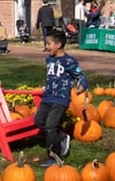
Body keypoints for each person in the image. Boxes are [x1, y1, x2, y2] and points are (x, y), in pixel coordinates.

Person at [34, 30, 88, 166]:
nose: (46, 47)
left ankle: (54, 156)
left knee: (51, 126)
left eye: (49, 44)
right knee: (39, 121)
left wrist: (82, 85)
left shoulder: (69, 61)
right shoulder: (49, 59)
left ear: (58, 45)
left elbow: (80, 76)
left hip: (60, 99)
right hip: (47, 97)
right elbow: (53, 77)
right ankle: (62, 137)